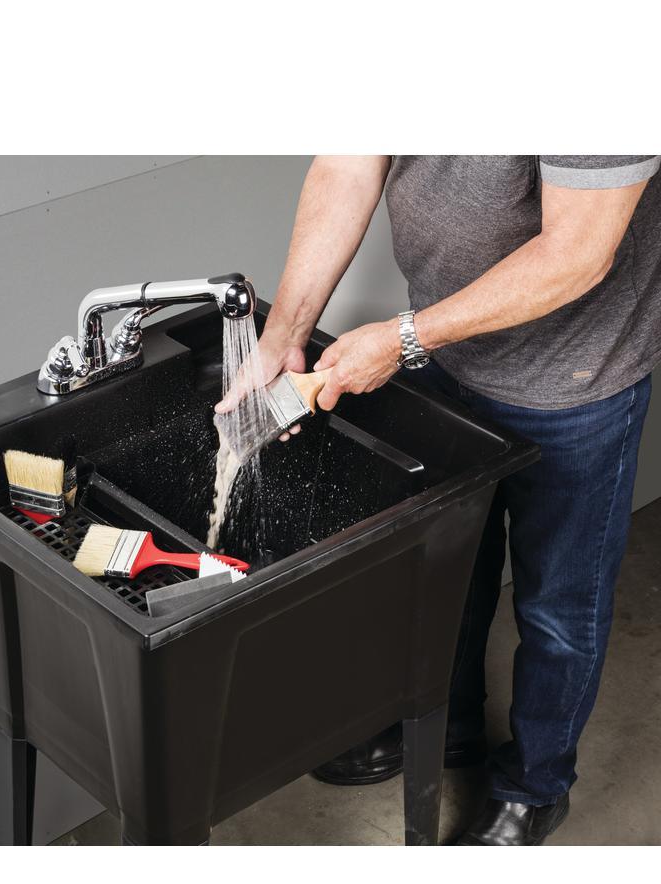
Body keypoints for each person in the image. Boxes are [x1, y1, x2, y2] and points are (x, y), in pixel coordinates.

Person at [217, 155, 659, 845]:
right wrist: (283, 336)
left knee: (560, 608)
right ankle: (443, 724)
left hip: (572, 379)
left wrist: (404, 339)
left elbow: (577, 253)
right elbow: (349, 161)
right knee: (446, 570)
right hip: (446, 352)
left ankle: (536, 786)